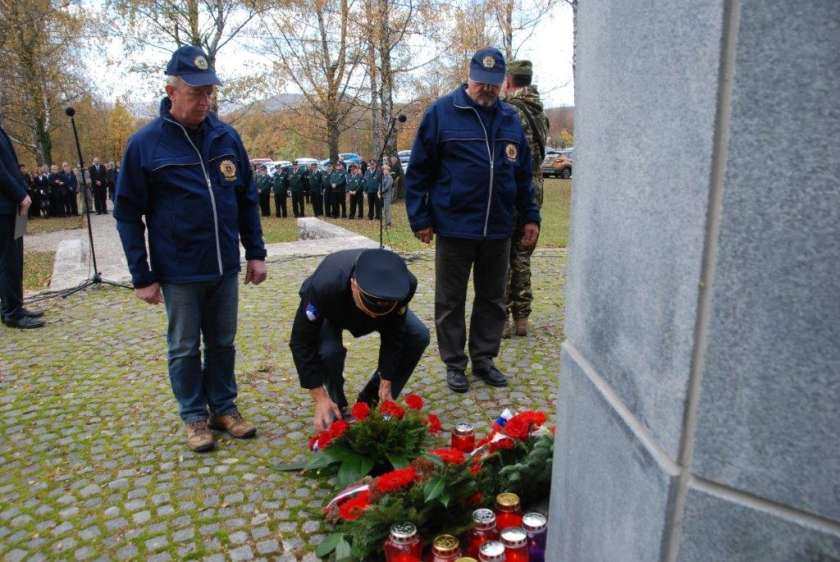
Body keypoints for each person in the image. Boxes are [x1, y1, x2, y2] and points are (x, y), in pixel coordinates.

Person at [114, 45, 267, 452]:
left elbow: (246, 197)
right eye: (196, 93)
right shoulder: (145, 144)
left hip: (223, 266)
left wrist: (256, 251)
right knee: (183, 346)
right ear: (171, 91)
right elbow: (128, 214)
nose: (205, 101)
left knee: (223, 342)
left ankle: (223, 407)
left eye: (209, 92)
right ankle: (194, 416)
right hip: (179, 269)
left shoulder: (226, 136)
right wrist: (141, 275)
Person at [405, 47, 540, 394]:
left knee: (493, 298)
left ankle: (484, 359)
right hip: (454, 226)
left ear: (502, 84)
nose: (488, 90)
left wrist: (530, 216)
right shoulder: (441, 114)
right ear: (470, 77)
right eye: (482, 83)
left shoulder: (510, 119)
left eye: (494, 85)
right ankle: (454, 363)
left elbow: (523, 175)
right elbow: (418, 170)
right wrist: (420, 217)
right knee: (451, 299)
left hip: (498, 227)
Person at [289, 248, 429, 431]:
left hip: (379, 303)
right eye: (369, 309)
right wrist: (319, 396)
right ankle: (336, 405)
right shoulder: (325, 285)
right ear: (354, 285)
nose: (373, 316)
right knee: (329, 352)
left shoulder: (405, 285)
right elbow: (301, 341)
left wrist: (387, 379)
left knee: (419, 335)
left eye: (379, 312)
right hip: (333, 309)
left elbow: (394, 334)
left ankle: (371, 399)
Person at [501, 60, 549, 338]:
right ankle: (522, 318)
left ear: (509, 81)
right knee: (523, 254)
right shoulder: (540, 112)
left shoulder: (509, 111)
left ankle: (503, 318)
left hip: (514, 188)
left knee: (504, 254)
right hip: (536, 187)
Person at [0, 124, 44, 329]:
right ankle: (13, 312)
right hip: (6, 206)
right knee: (9, 260)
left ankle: (12, 305)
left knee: (15, 258)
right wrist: (20, 195)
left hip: (15, 206)